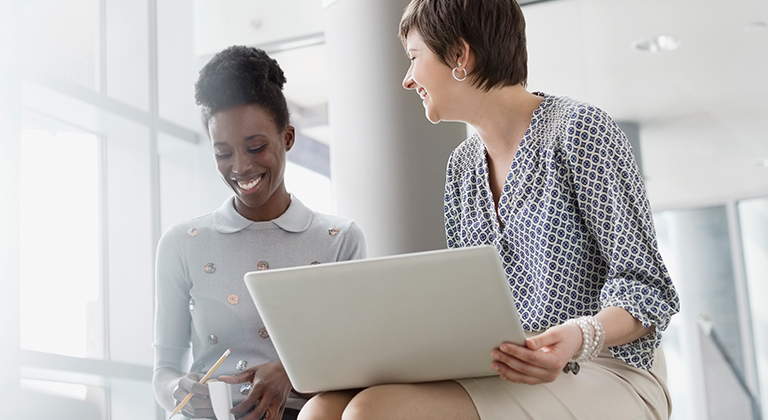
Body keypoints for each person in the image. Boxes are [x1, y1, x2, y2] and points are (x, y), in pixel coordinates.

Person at [297, 0, 679, 419]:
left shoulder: (580, 131)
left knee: (371, 411)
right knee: (321, 409)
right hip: (505, 370)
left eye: (413, 57)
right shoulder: (461, 168)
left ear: (460, 55)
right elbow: (469, 305)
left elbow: (648, 289)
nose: (407, 79)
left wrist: (577, 336)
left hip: (607, 368)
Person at [152, 45, 367, 420]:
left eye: (255, 147)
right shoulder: (181, 244)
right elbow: (164, 367)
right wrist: (178, 390)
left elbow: (356, 361)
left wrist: (290, 373)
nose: (240, 167)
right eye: (223, 153)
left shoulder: (339, 239)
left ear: (287, 138)